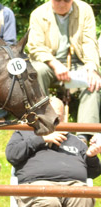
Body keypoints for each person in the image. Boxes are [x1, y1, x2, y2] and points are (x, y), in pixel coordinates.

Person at [27, 0, 101, 132]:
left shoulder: (85, 10)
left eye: (66, 0)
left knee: (93, 82)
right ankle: (42, 126)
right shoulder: (38, 14)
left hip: (78, 63)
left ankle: (85, 136)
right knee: (36, 72)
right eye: (57, 0)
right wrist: (55, 64)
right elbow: (36, 47)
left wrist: (91, 67)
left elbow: (89, 42)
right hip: (48, 63)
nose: (62, 4)